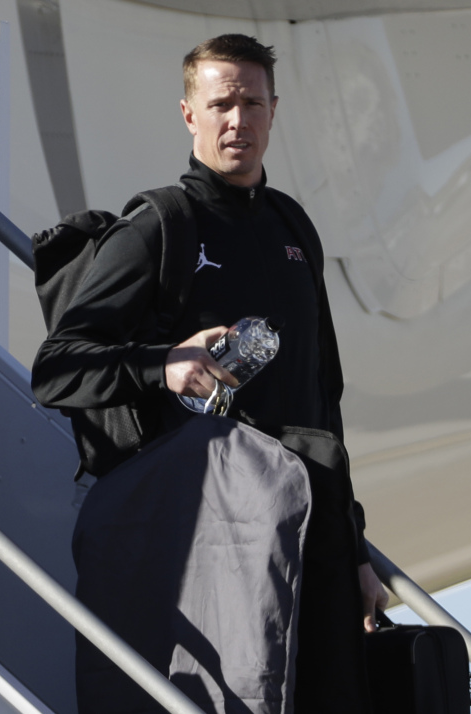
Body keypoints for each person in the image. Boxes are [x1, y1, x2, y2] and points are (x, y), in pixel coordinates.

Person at [32, 34, 388, 711]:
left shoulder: (293, 227)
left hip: (307, 530)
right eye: (220, 103)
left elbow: (324, 402)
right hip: (213, 542)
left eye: (251, 102)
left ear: (273, 111)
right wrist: (161, 366)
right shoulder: (161, 223)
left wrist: (356, 550)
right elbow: (56, 369)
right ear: (188, 113)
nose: (237, 120)